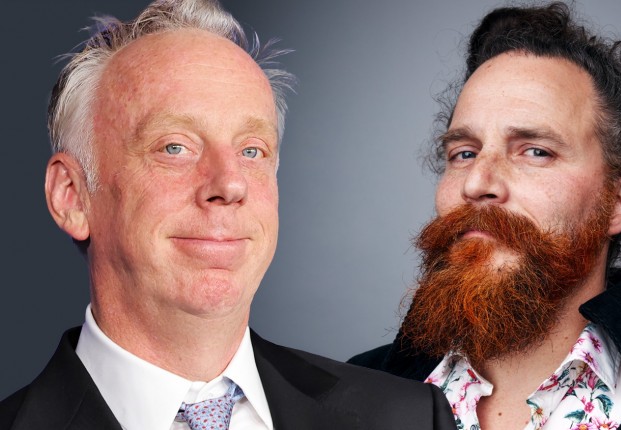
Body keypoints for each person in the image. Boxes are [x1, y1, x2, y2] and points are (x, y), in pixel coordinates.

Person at [0, 1, 456, 429]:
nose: (230, 184)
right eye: (174, 147)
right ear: (72, 197)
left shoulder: (407, 416)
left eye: (251, 151)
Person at [349, 2, 621, 429]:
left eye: (536, 152)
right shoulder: (352, 394)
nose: (477, 183)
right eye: (464, 153)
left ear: (618, 203)